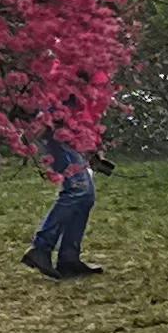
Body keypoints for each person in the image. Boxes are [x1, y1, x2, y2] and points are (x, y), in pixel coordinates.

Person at [24, 119, 99, 278]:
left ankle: (69, 258)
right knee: (78, 189)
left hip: (69, 132)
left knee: (86, 196)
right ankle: (41, 248)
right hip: (56, 131)